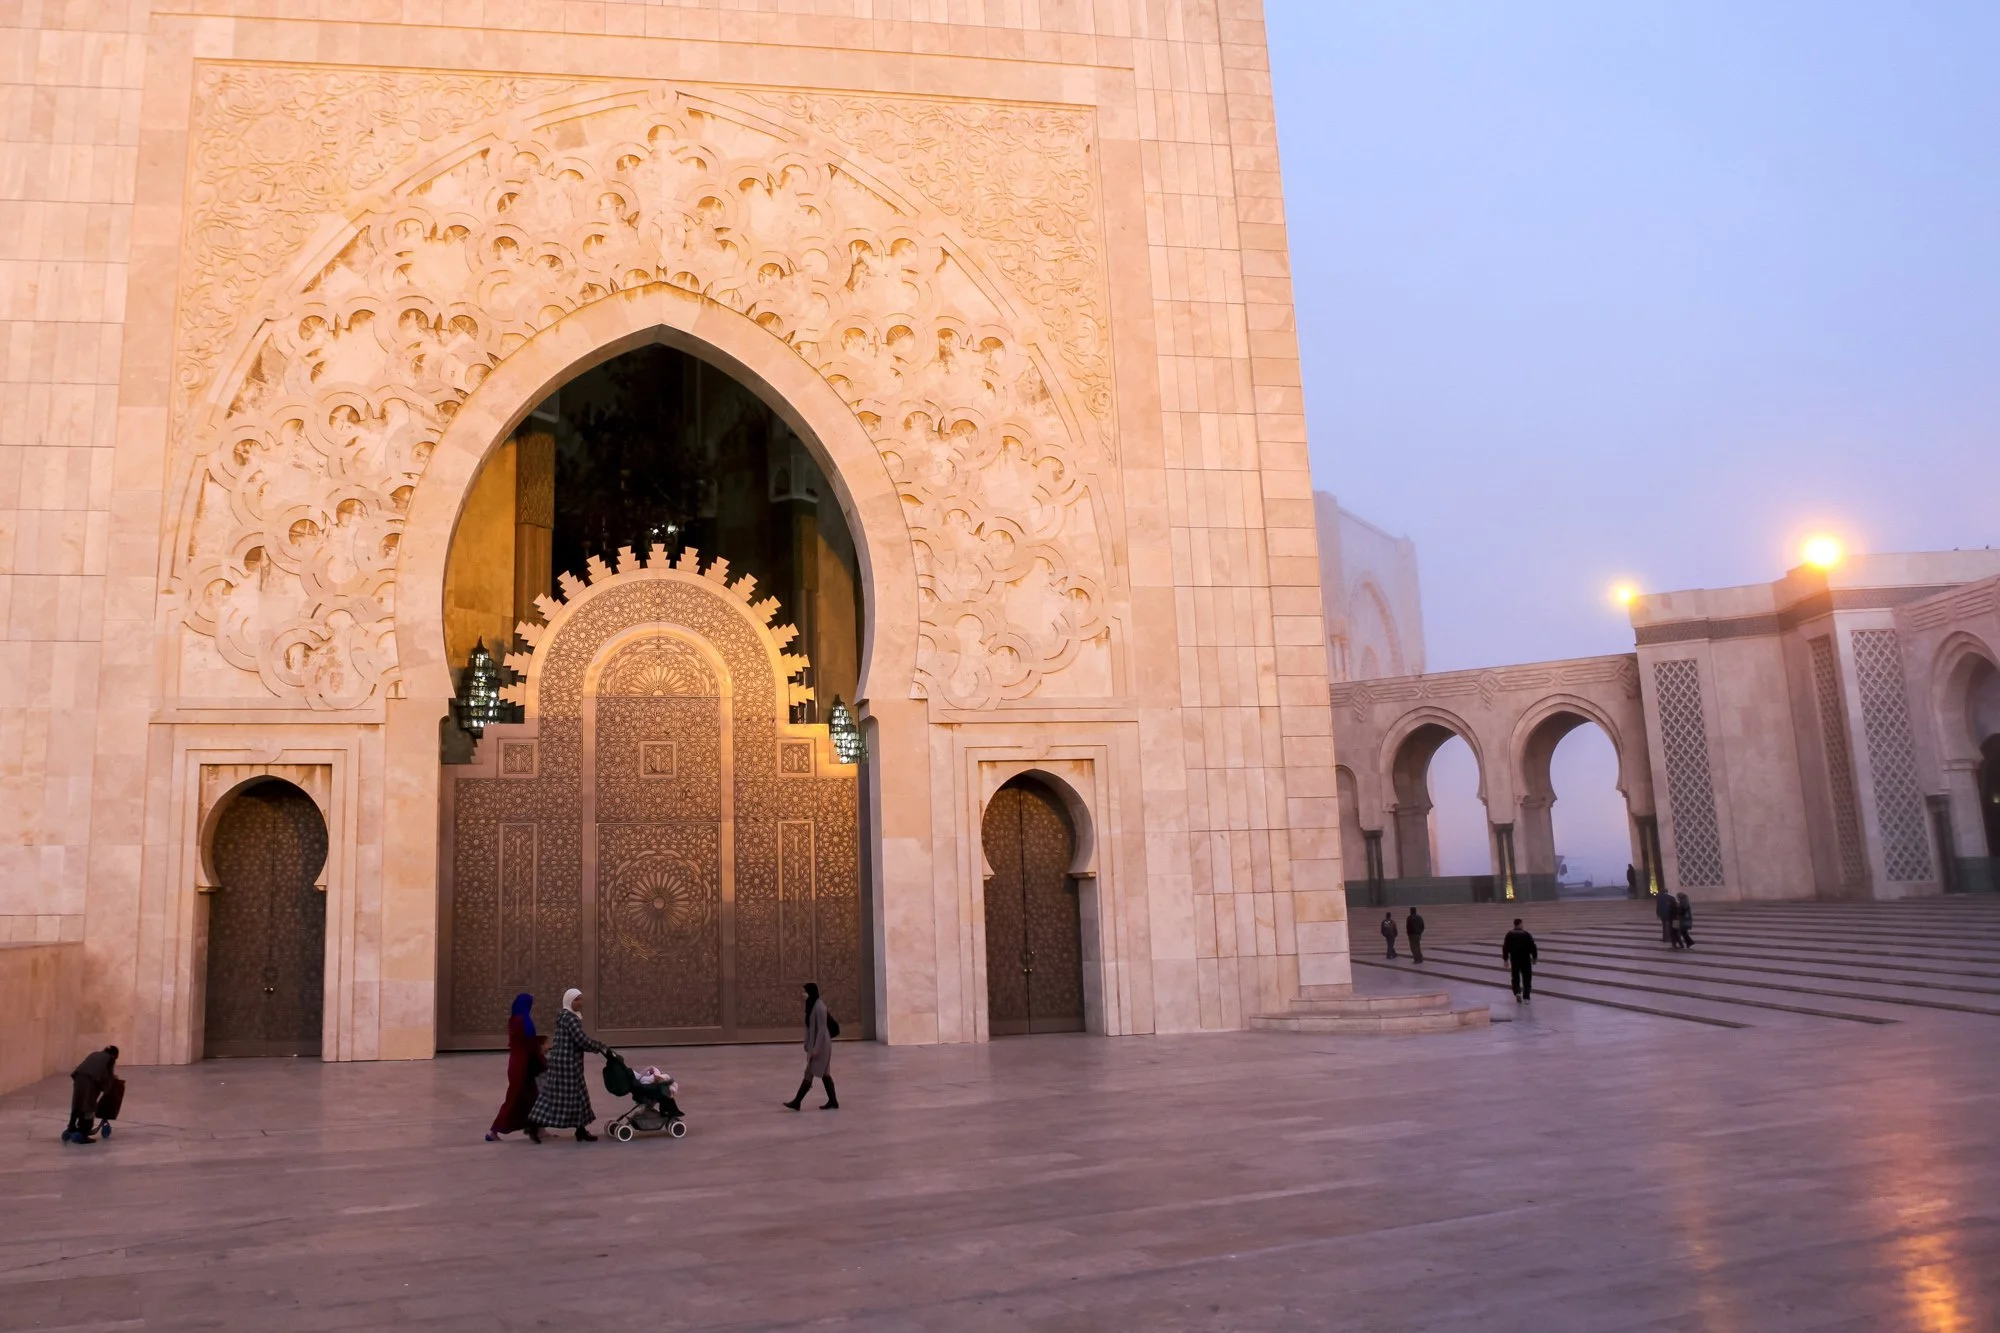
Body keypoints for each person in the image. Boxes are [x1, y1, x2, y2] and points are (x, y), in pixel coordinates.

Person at [527, 988, 610, 1142]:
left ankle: (580, 1130)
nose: (580, 1002)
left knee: (576, 1096)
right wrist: (598, 1046)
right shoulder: (570, 1018)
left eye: (580, 999)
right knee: (557, 1096)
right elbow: (580, 1040)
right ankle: (533, 1125)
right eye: (577, 999)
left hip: (565, 1062)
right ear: (569, 1001)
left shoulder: (565, 1016)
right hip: (567, 1064)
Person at [487, 993, 545, 1142]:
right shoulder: (523, 1021)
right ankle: (494, 1131)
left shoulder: (513, 1019)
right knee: (514, 1098)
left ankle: (539, 1129)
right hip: (523, 1065)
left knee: (533, 1098)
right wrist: (543, 1055)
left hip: (516, 1063)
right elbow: (530, 1044)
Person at [783, 981, 838, 1111]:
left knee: (809, 1073)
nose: (803, 994)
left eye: (805, 992)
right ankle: (833, 1101)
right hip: (816, 1046)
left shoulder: (820, 1007)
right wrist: (806, 1042)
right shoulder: (810, 1006)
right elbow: (809, 1027)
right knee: (825, 1074)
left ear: (810, 993)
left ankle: (797, 1102)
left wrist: (816, 1049)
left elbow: (822, 1031)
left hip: (822, 1046)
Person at [62, 1046, 119, 1145]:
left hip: (78, 1076)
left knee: (77, 1102)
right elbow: (107, 1077)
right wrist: (108, 1089)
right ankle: (83, 1133)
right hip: (90, 1080)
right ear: (114, 1055)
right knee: (89, 1106)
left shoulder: (95, 1054)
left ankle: (71, 1127)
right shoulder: (110, 1059)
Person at [1500, 918, 1538, 1002]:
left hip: (1515, 959)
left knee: (1515, 977)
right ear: (1520, 924)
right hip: (1525, 959)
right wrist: (1534, 957)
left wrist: (1505, 959)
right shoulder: (1526, 934)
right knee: (1527, 978)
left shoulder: (1509, 935)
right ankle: (1526, 997)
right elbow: (1532, 946)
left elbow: (1505, 947)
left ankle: (1517, 992)